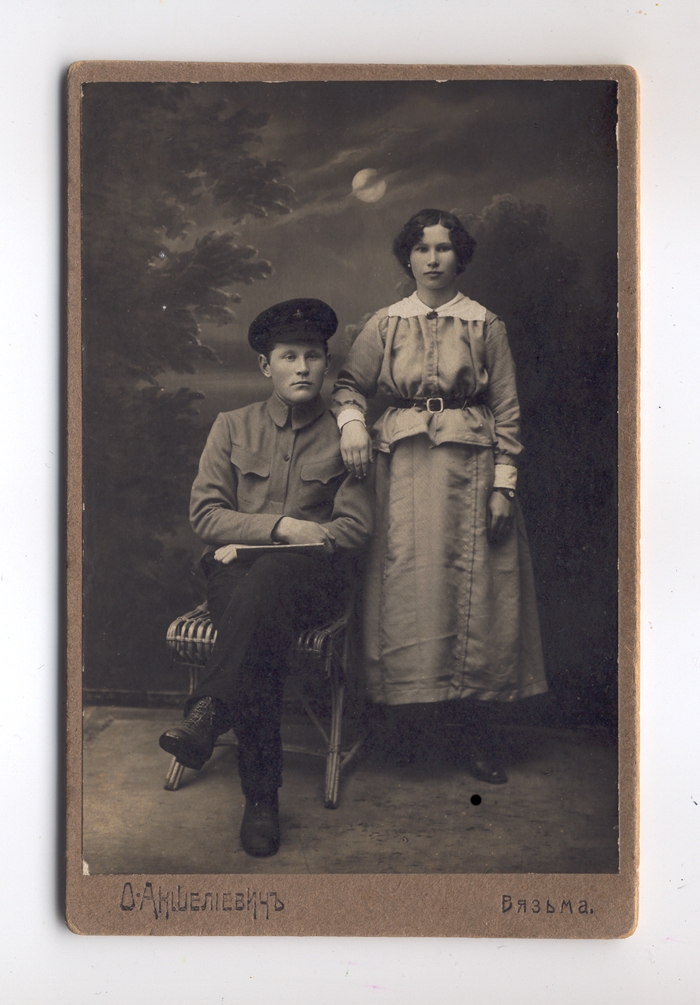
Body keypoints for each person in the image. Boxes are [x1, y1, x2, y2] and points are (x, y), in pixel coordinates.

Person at [332, 209, 547, 784]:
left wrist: (503, 486)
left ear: (460, 256)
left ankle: (477, 736)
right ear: (408, 256)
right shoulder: (385, 323)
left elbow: (507, 412)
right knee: (407, 596)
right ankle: (411, 735)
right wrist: (352, 425)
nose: (432, 259)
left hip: (472, 474)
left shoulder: (485, 324)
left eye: (444, 248)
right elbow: (348, 386)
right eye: (422, 248)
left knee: (477, 602)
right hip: (401, 474)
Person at [159, 299, 373, 858]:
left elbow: (354, 528)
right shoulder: (232, 427)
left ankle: (209, 712)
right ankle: (259, 799)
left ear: (327, 364)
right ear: (265, 366)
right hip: (234, 579)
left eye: (313, 356)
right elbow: (205, 514)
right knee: (258, 619)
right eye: (288, 356)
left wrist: (284, 542)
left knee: (270, 577)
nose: (302, 368)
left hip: (311, 585)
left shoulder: (347, 436)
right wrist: (281, 526)